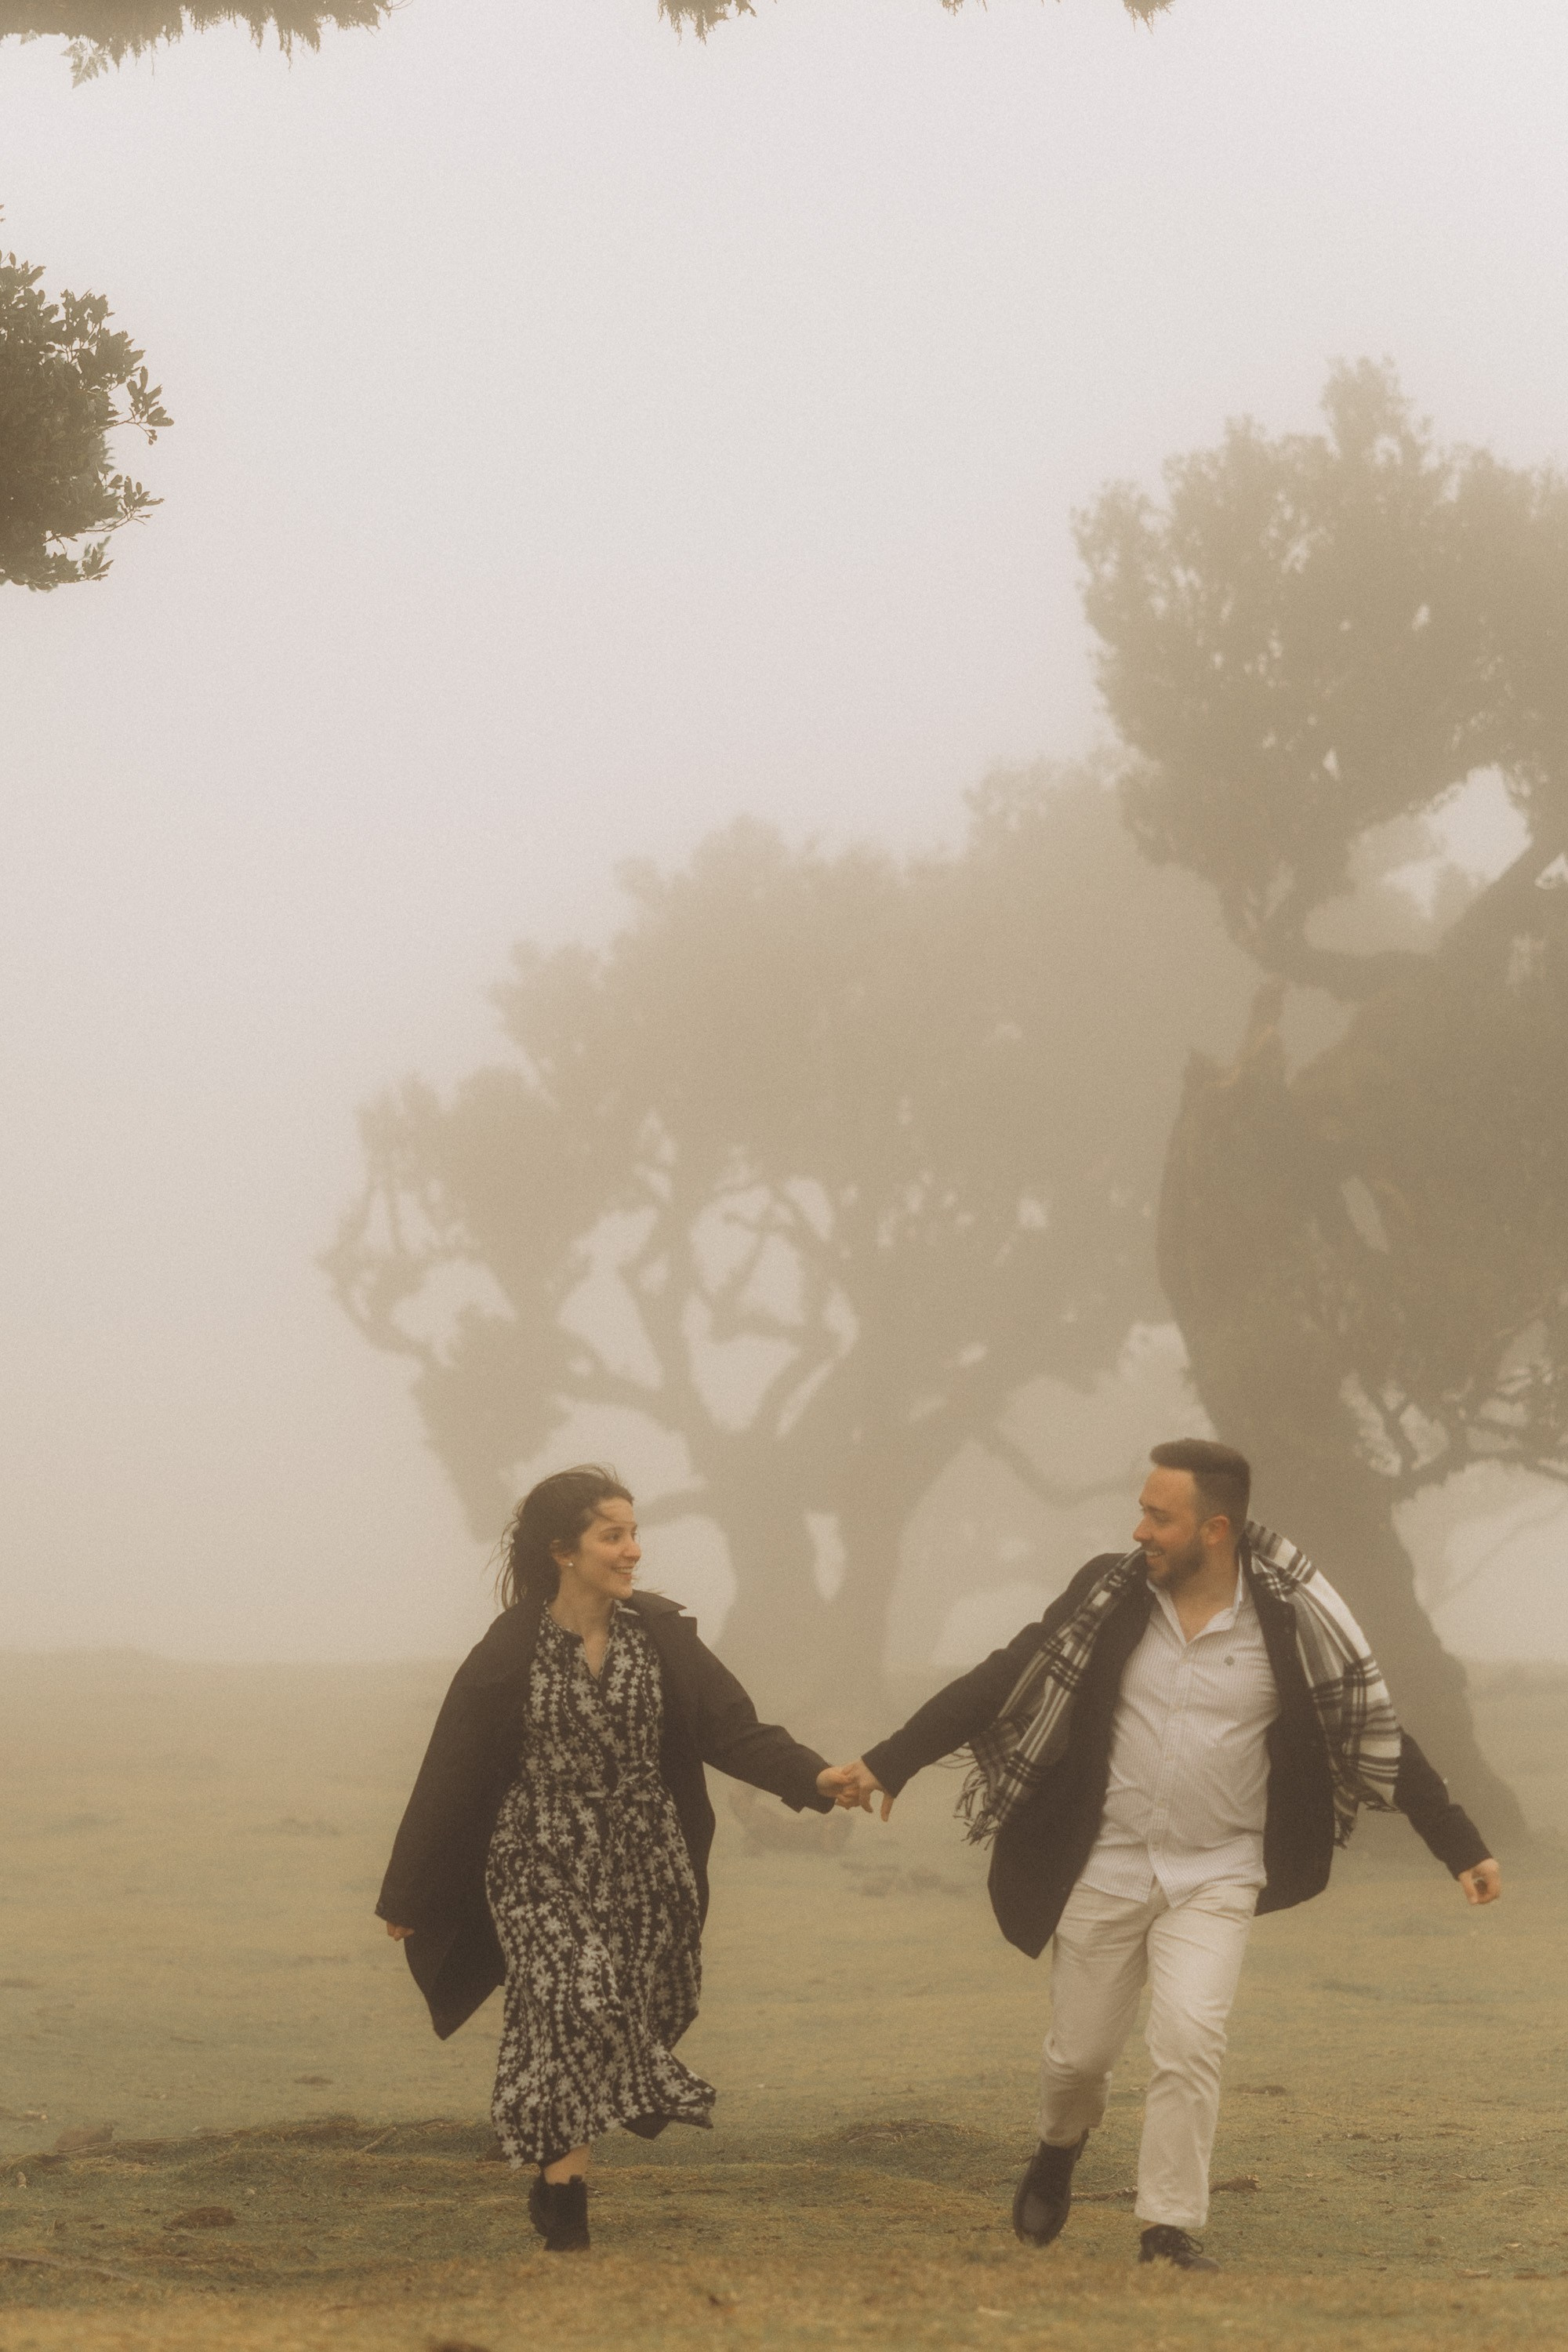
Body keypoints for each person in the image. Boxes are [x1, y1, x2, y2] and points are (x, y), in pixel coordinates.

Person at [834, 1438, 1501, 2273]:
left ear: (1213, 1529)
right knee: (1077, 2058)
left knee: (1189, 2039)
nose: (1139, 1529)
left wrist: (1458, 1845)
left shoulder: (1290, 1622)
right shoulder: (1106, 1597)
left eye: (1159, 1516)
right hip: (1102, 1865)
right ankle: (1057, 2145)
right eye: (1142, 1511)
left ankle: (1166, 2229)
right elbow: (1004, 1673)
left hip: (1216, 1873)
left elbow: (1368, 1731)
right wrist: (887, 1761)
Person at [378, 1465, 851, 2252]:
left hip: (641, 1865)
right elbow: (452, 1768)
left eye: (634, 1533)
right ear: (563, 1550)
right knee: (574, 1996)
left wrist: (814, 1776)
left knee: (585, 2014)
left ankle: (553, 2177)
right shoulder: (508, 1652)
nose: (633, 1550)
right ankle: (567, 2199)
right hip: (534, 1858)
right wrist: (409, 1892)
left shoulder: (660, 1636)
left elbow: (730, 1728)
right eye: (613, 1535)